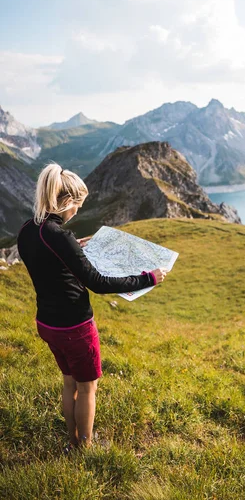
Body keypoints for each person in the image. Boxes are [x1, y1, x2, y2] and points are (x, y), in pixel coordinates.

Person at [17, 163, 168, 450]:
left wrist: (74, 248)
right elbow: (97, 282)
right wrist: (148, 277)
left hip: (47, 323)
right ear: (67, 202)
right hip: (74, 325)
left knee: (69, 383)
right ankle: (84, 447)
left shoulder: (29, 230)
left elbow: (48, 260)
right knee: (87, 388)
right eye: (78, 205)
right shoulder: (60, 237)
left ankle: (73, 440)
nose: (77, 212)